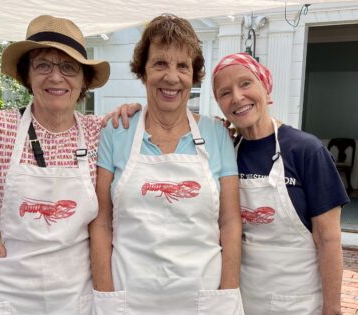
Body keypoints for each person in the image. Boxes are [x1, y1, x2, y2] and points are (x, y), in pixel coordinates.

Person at [0, 14, 120, 315]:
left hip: (75, 298)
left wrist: (134, 110)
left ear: (83, 81)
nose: (56, 77)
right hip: (8, 297)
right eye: (43, 65)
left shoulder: (100, 133)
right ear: (27, 75)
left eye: (68, 67)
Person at [89, 14, 244, 315]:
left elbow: (230, 222)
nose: (172, 77)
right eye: (160, 63)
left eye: (182, 66)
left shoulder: (217, 134)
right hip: (128, 297)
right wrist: (105, 295)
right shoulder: (116, 132)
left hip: (204, 298)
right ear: (143, 72)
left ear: (193, 75)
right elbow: (101, 223)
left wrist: (227, 292)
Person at [212, 52, 349, 315]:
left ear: (265, 87)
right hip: (243, 300)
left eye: (245, 84)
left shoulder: (306, 150)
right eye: (224, 92)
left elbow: (328, 238)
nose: (237, 97)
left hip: (298, 302)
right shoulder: (226, 151)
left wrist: (332, 308)